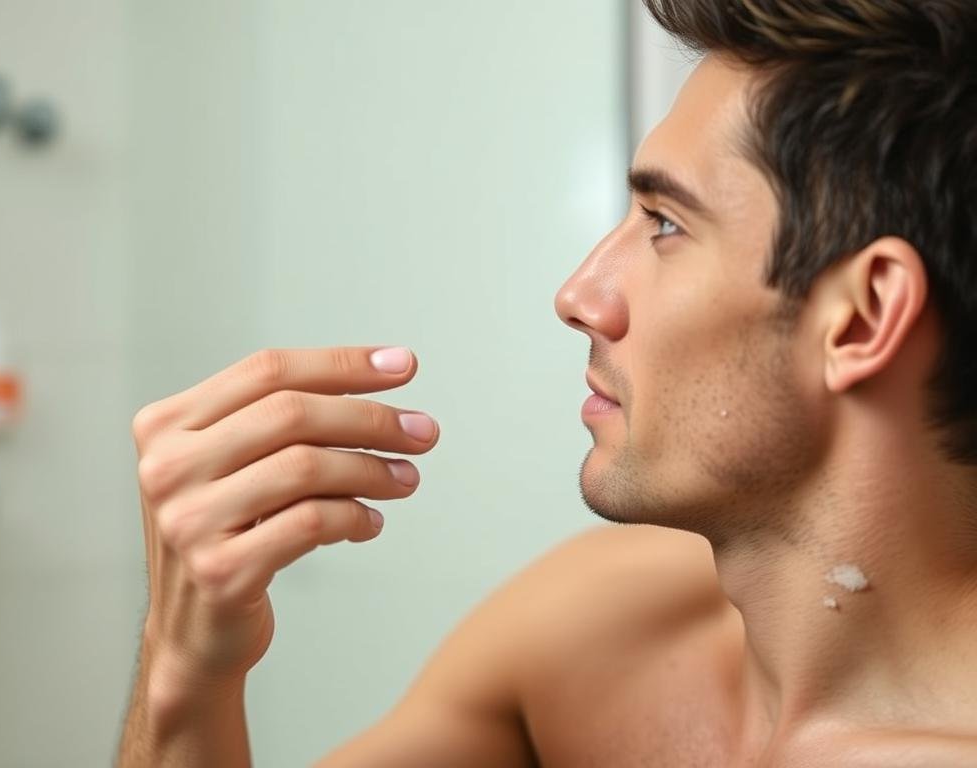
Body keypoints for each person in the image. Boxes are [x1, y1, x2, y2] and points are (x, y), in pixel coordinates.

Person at [116, 1, 977, 765]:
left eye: (666, 224)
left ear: (863, 317)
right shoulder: (593, 631)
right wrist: (186, 672)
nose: (579, 296)